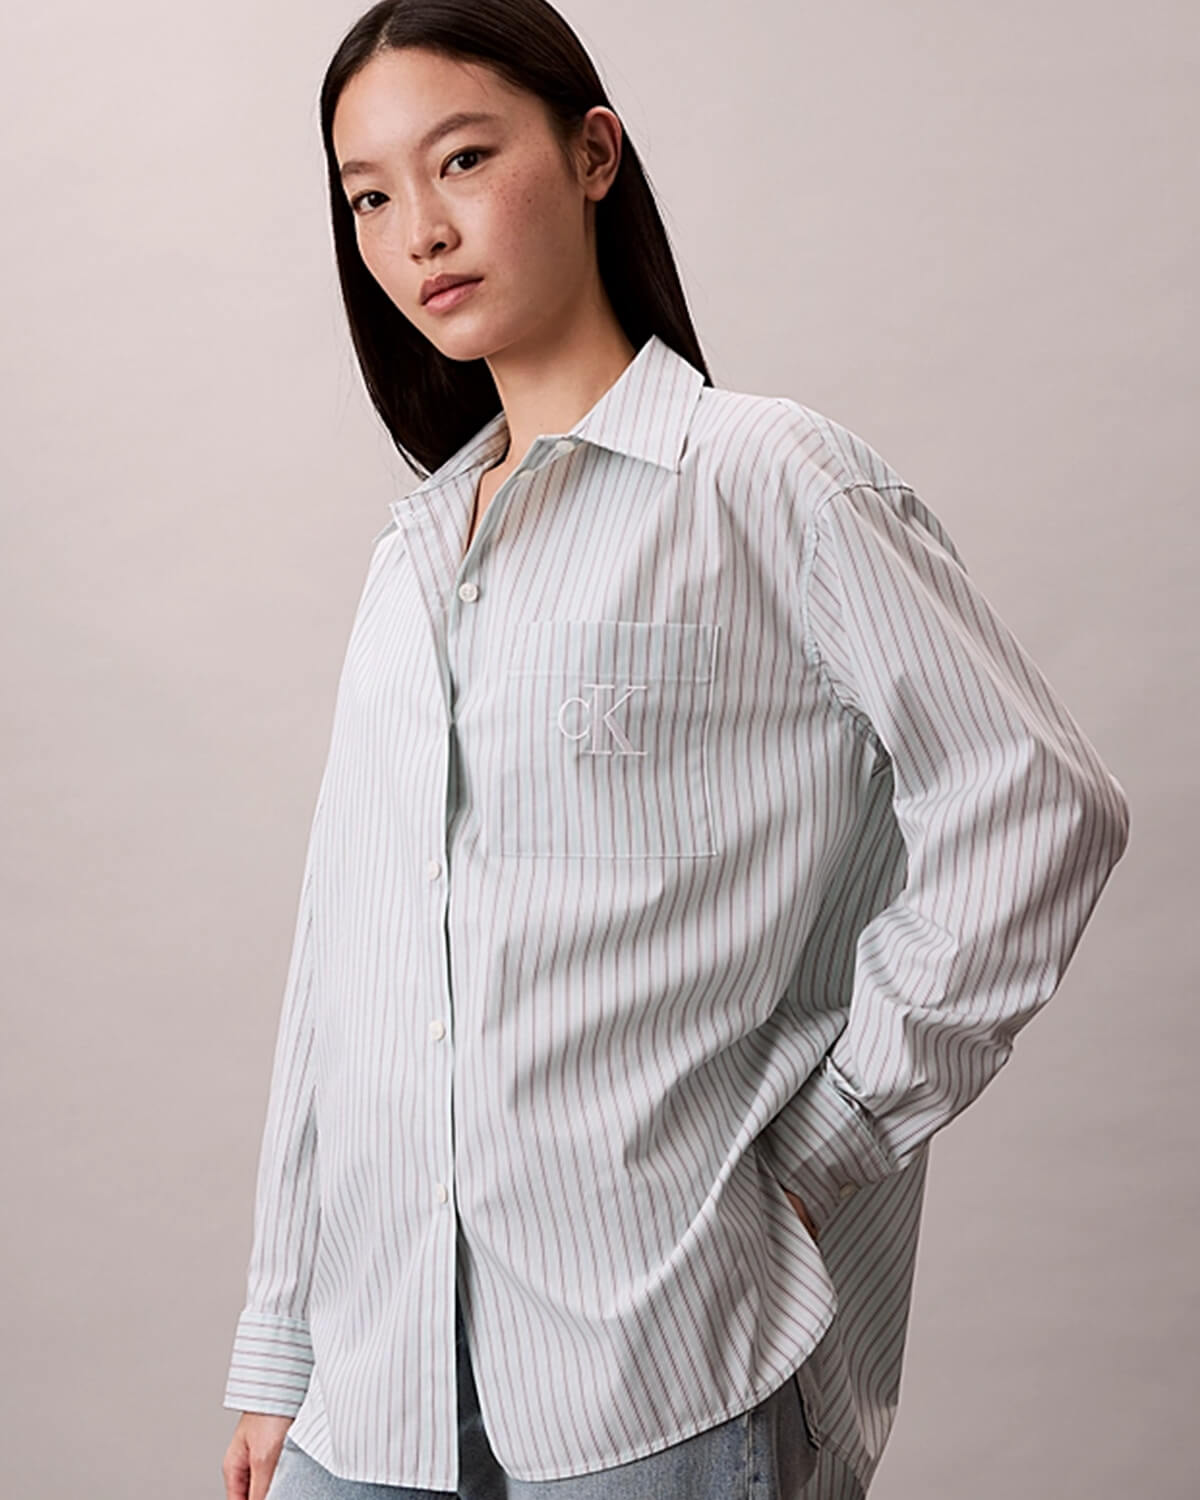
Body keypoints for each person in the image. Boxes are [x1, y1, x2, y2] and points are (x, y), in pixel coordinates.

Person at [219, 2, 1132, 1497]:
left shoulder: (767, 482)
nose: (418, 231)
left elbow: (1038, 803)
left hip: (653, 1373)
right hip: (370, 1386)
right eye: (369, 196)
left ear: (593, 155)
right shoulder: (412, 559)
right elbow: (342, 967)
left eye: (462, 160)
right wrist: (279, 1344)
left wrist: (837, 1133)